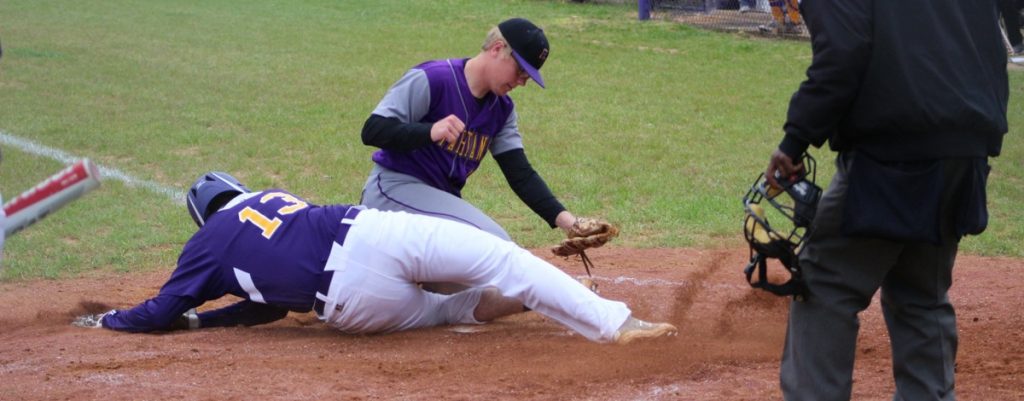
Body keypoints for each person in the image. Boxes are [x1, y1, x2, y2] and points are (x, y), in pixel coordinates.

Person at [73, 172, 677, 344]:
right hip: (370, 233)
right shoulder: (272, 198)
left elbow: (260, 307)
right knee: (502, 258)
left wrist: (116, 320)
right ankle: (613, 323)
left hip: (350, 303)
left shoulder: (207, 244)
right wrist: (206, 318)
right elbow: (262, 304)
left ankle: (536, 298)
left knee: (450, 314)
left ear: (202, 213)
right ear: (236, 189)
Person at [763, 0, 1008, 399]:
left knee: (825, 283)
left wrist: (795, 140)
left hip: (890, 156)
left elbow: (842, 55)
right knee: (922, 295)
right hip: (966, 149)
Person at [359, 18, 592, 243]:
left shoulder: (502, 110)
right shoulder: (433, 78)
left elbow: (520, 174)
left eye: (528, 76)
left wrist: (570, 224)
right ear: (498, 48)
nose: (523, 81)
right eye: (521, 70)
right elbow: (373, 130)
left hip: (438, 203)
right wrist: (429, 131)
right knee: (494, 242)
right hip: (393, 191)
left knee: (476, 261)